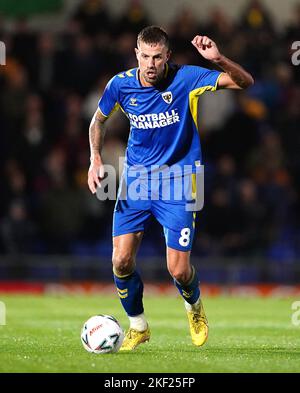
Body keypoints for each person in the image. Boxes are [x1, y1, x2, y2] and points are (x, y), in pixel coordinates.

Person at [87, 26, 254, 350]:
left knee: (177, 269)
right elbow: (98, 121)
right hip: (136, 180)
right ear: (137, 54)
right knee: (120, 261)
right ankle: (138, 326)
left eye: (157, 57)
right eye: (145, 56)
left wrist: (218, 59)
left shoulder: (187, 79)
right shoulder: (120, 85)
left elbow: (244, 82)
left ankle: (194, 308)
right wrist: (95, 158)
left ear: (168, 57)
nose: (151, 64)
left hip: (179, 180)